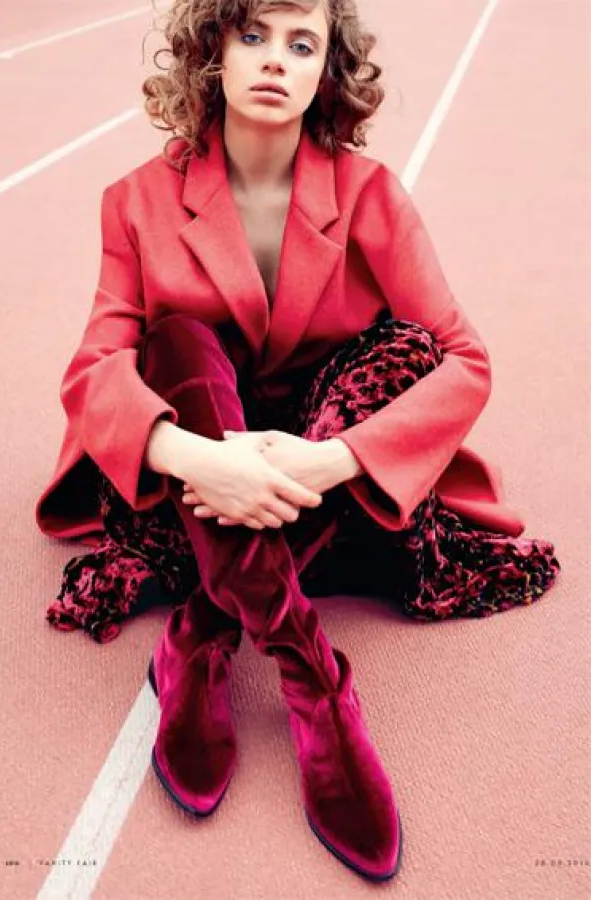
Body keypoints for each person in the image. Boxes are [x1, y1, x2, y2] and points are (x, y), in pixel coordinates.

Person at [34, 0, 560, 882]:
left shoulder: (370, 194)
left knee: (410, 350)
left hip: (326, 492)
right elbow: (94, 370)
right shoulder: (135, 201)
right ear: (214, 49)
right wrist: (199, 458)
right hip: (193, 490)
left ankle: (201, 632)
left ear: (327, 70)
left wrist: (334, 458)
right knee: (175, 343)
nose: (276, 58)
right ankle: (312, 677)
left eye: (301, 42)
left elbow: (465, 360)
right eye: (253, 35)